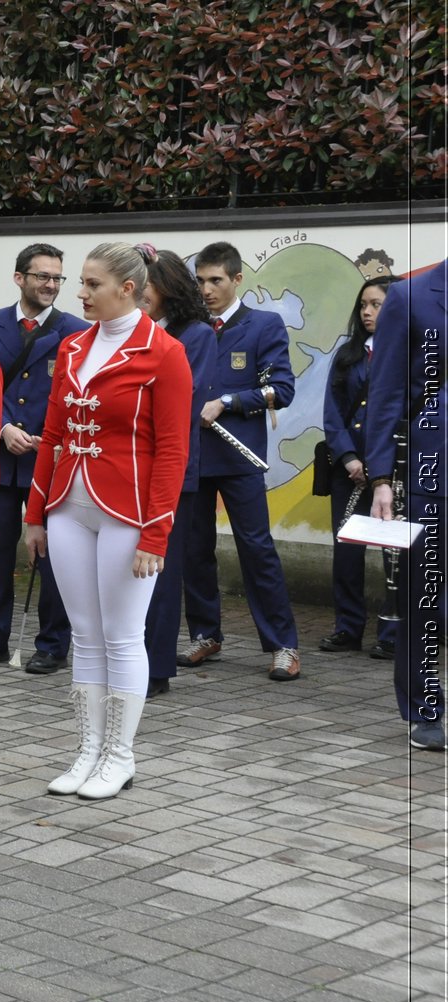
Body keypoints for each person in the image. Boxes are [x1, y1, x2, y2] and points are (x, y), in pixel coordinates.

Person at [25, 243, 192, 799]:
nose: (79, 293)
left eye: (92, 285)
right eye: (82, 283)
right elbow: (51, 435)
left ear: (128, 288)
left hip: (128, 512)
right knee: (84, 635)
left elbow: (172, 451)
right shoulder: (72, 347)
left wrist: (157, 532)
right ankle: (87, 750)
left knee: (121, 637)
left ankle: (119, 754)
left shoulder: (164, 353)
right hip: (68, 506)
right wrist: (35, 514)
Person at [184, 241, 301, 680]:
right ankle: (205, 634)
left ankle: (282, 645)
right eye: (200, 281)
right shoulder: (189, 327)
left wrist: (227, 401)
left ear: (237, 280)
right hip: (194, 456)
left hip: (239, 456)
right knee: (195, 550)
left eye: (216, 280)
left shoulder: (263, 325)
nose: (207, 290)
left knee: (256, 549)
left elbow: (281, 390)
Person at [0, 243, 85, 673]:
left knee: (53, 558)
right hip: (1, 459)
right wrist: (3, 427)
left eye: (57, 277)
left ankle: (53, 643)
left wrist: (48, 436)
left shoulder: (75, 329)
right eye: (42, 276)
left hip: (49, 459)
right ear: (20, 278)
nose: (51, 285)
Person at [368, 259, 447, 752]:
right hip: (433, 468)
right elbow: (387, 390)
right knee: (428, 599)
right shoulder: (412, 296)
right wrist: (381, 476)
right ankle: (425, 709)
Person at [140, 249, 217, 696]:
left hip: (171, 468)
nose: (138, 292)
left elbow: (186, 406)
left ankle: (155, 668)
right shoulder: (129, 331)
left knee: (162, 572)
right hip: (126, 470)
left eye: (145, 283)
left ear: (167, 286)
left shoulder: (196, 335)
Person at [320, 276, 397, 659]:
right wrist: (349, 458)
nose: (367, 312)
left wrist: (385, 465)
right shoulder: (348, 354)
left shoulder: (411, 353)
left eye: (377, 304)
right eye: (364, 304)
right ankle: (348, 627)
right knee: (347, 551)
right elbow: (332, 412)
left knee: (394, 555)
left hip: (395, 470)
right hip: (348, 471)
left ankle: (393, 633)